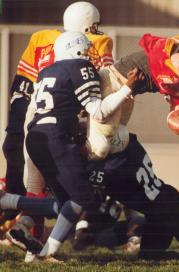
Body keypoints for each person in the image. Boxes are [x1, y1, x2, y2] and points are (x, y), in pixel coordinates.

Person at [0, 132, 179, 262]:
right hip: (164, 197)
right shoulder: (132, 146)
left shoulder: (111, 170)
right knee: (147, 252)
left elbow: (86, 187)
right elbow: (120, 135)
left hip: (163, 207)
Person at [3, 30, 142, 262]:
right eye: (86, 50)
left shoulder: (47, 70)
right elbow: (98, 112)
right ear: (77, 50)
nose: (88, 55)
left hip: (36, 136)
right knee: (82, 198)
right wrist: (128, 88)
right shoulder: (79, 66)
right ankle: (46, 250)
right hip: (55, 137)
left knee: (63, 204)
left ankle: (35, 247)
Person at [1, 0, 114, 255]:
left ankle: (28, 233)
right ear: (86, 27)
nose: (97, 32)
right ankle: (55, 237)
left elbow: (22, 87)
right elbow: (105, 85)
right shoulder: (95, 44)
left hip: (34, 123)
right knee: (78, 192)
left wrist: (15, 132)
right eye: (94, 26)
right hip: (64, 129)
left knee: (40, 189)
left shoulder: (42, 40)